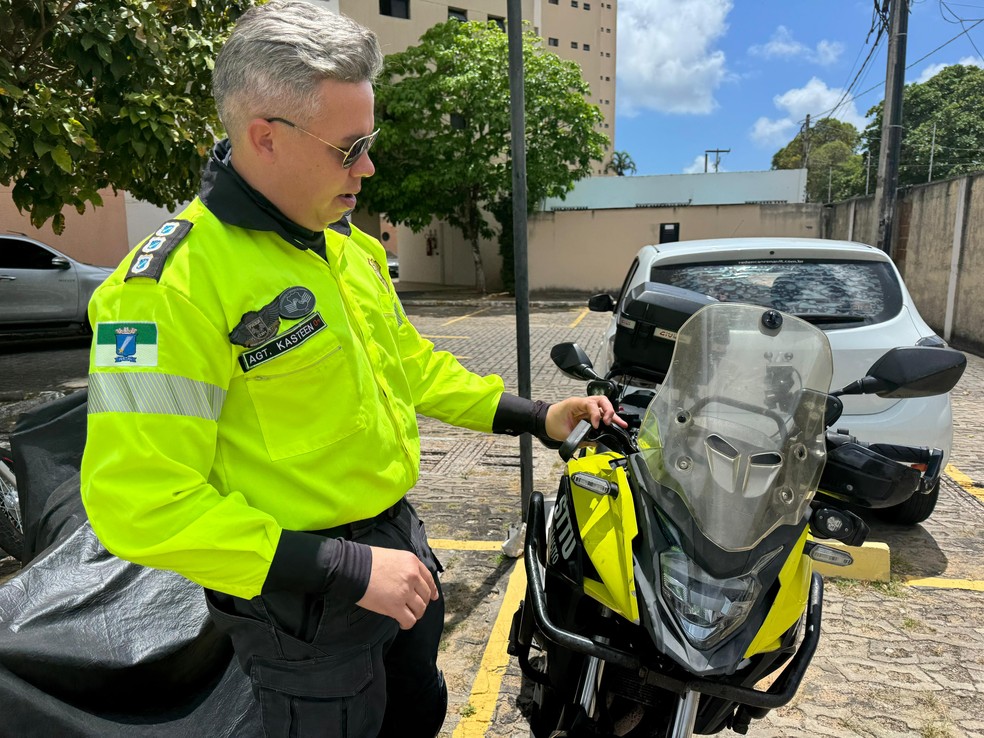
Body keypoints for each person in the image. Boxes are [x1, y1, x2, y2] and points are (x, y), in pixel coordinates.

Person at [79, 2, 625, 736]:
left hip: (399, 548)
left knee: (418, 711)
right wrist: (347, 569)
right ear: (264, 137)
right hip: (301, 600)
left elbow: (413, 367)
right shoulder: (165, 288)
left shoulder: (345, 250)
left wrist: (535, 414)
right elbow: (137, 501)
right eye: (350, 147)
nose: (368, 167)